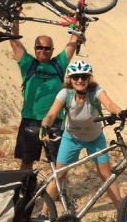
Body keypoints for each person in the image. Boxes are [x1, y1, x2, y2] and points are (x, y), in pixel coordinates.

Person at [38, 61, 127, 222]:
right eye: (76, 76)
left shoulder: (96, 91)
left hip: (95, 138)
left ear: (89, 78)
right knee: (59, 175)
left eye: (83, 76)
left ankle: (122, 214)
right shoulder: (65, 94)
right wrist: (44, 126)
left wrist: (121, 113)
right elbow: (51, 114)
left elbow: (109, 104)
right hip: (71, 138)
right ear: (70, 79)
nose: (80, 80)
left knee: (106, 176)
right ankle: (43, 214)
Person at [9, 19, 78, 169]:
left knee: (59, 162)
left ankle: (57, 185)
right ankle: (26, 184)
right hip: (30, 120)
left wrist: (77, 24)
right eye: (39, 47)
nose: (43, 51)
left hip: (55, 121)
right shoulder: (28, 64)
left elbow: (73, 42)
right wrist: (15, 17)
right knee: (27, 161)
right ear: (34, 49)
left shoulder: (58, 64)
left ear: (52, 50)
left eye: (47, 48)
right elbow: (14, 41)